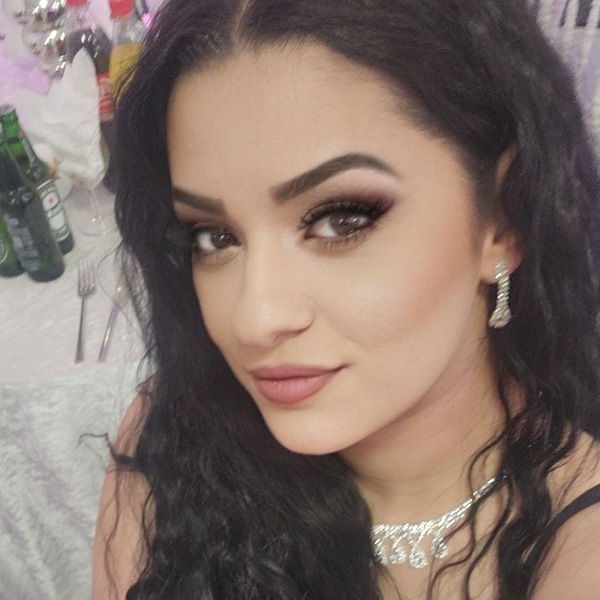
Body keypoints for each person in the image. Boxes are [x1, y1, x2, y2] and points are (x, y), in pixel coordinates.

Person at [92, 1, 600, 598]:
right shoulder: (173, 431)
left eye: (340, 220)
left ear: (503, 220)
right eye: (214, 237)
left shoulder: (578, 553)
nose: (255, 319)